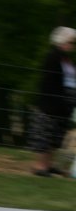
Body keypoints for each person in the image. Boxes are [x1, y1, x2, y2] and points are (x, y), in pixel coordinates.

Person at [28, 26, 76, 177]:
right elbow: (50, 83)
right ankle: (39, 166)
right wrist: (58, 101)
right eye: (71, 42)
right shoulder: (53, 57)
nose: (73, 45)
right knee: (45, 135)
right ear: (62, 41)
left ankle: (48, 165)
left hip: (64, 104)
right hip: (52, 104)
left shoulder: (66, 59)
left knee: (56, 136)